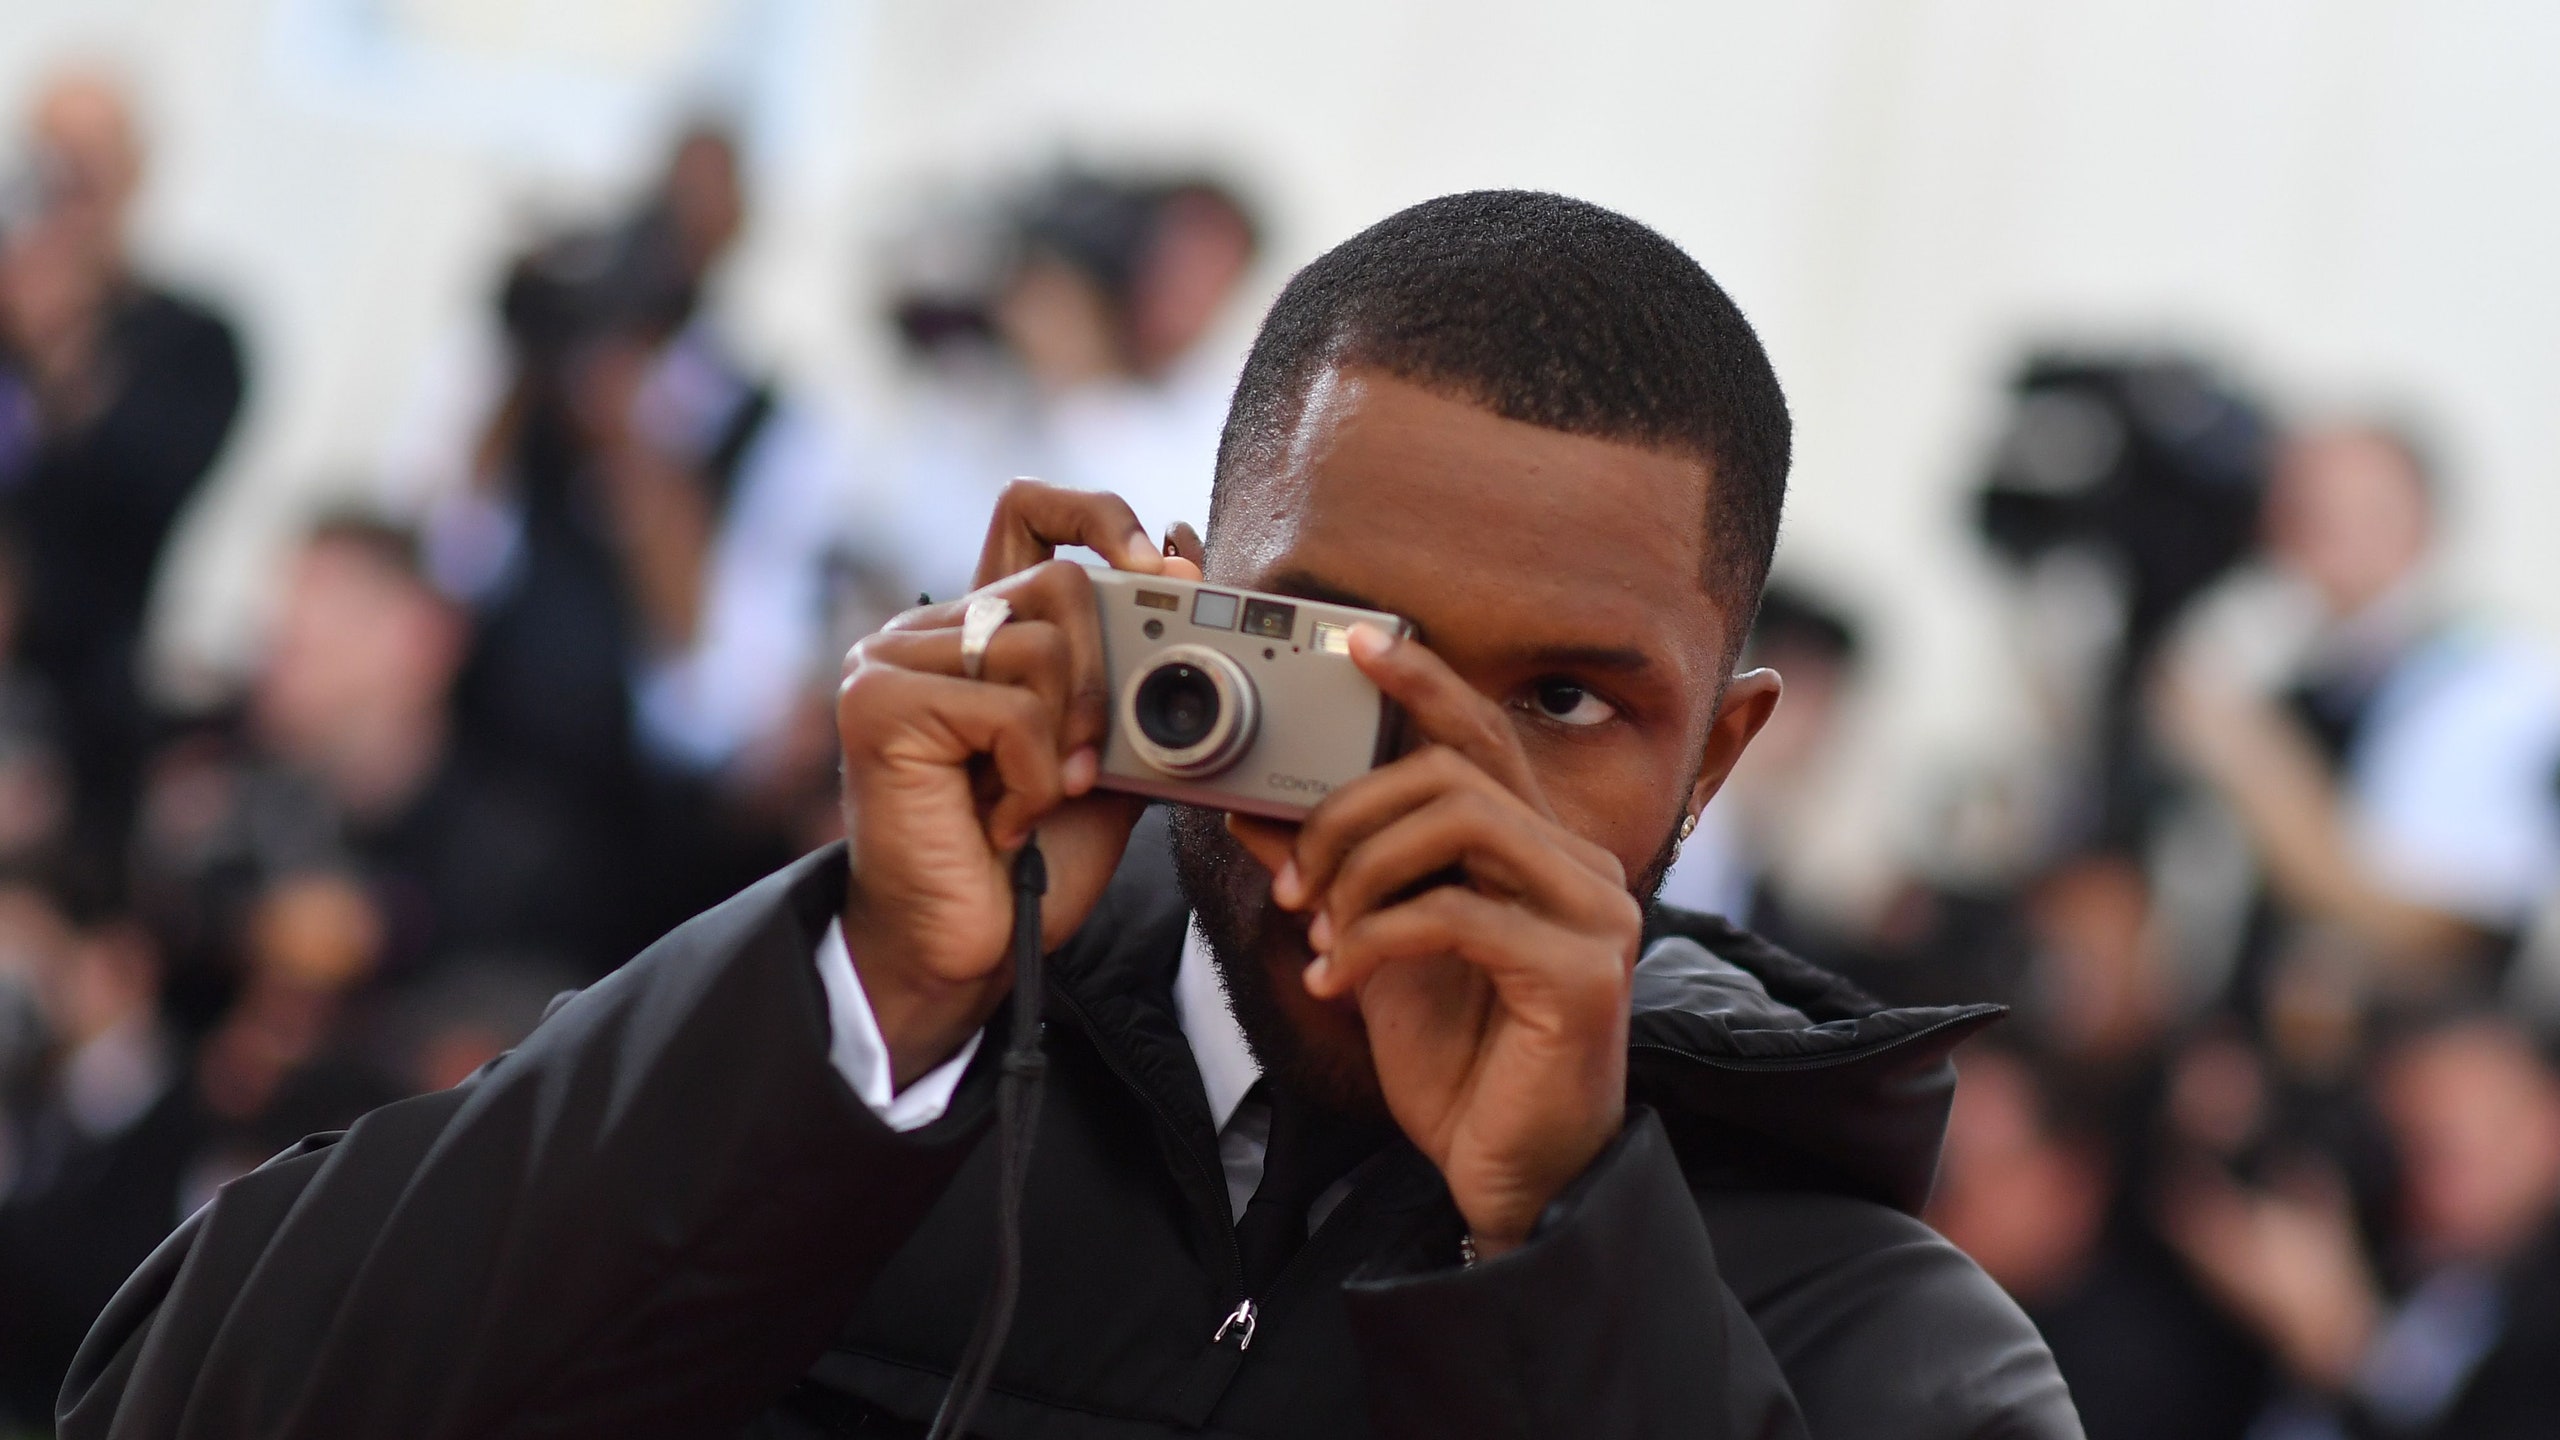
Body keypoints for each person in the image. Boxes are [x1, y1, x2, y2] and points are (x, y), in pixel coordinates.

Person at [59, 193, 2076, 1438]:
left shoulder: (1879, 1345)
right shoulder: (853, 1064)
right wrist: (862, 995)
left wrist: (1548, 1247)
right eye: (1329, 644)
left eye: (1558, 703)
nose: (1420, 773)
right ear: (1179, 613)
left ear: (1713, 762)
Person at [0, 68, 247, 870]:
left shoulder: (191, 344)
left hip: (77, 717)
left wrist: (61, 359)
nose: (63, 194)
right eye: (48, 164)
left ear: (134, 173)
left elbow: (139, 501)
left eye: (87, 167)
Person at [2162, 1011, 2560, 1438]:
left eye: (2444, 1148)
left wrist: (2343, 1347)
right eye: (2400, 1142)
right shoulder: (2397, 1235)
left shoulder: (2538, 1329)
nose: (2416, 1180)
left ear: (2545, 1126)